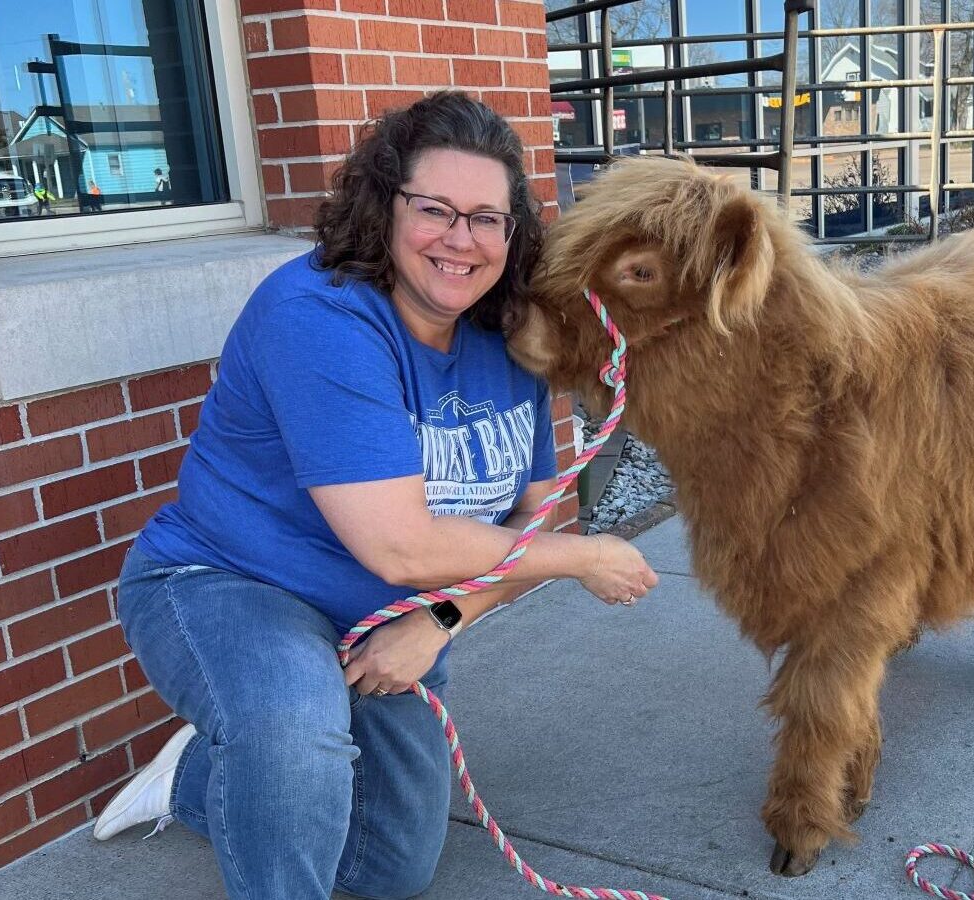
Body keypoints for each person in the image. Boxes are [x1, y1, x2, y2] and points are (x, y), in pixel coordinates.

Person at [94, 91, 658, 900]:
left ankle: (199, 777)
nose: (461, 240)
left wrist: (441, 618)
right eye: (435, 209)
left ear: (514, 232)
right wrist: (583, 558)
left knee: (391, 867)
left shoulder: (508, 335)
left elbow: (541, 508)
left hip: (390, 617)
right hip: (232, 583)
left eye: (488, 218)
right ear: (384, 206)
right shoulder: (318, 317)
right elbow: (401, 546)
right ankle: (265, 742)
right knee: (293, 732)